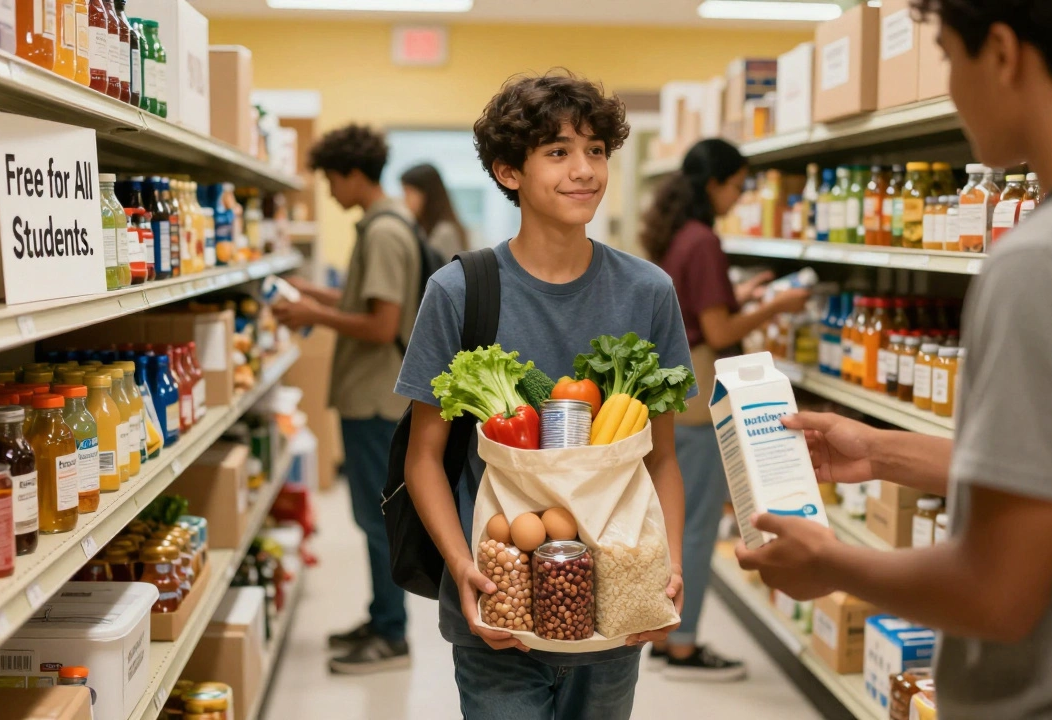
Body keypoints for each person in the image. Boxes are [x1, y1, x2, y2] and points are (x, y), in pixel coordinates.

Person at [733, 1, 1052, 717]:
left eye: (945, 55)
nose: (948, 84)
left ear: (1001, 53)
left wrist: (830, 563)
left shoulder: (1050, 262)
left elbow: (996, 595)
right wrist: (883, 453)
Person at [394, 70, 692, 719]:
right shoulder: (459, 291)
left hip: (614, 607)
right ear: (508, 172)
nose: (583, 170)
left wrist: (665, 566)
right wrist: (461, 567)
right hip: (498, 607)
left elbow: (661, 457)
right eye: (558, 152)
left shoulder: (648, 293)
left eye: (595, 151)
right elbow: (424, 458)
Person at [640, 137, 810, 681]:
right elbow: (717, 329)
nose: (739, 196)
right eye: (738, 185)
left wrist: (741, 293)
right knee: (693, 523)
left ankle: (671, 635)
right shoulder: (705, 240)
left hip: (676, 384)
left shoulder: (678, 236)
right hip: (699, 388)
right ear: (715, 183)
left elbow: (698, 303)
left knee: (680, 517)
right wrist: (776, 307)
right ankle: (682, 645)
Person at [272, 123, 421, 674]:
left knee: (378, 519)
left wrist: (313, 316)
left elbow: (382, 325)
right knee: (373, 517)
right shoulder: (388, 223)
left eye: (332, 180)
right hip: (375, 397)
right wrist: (315, 292)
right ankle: (381, 615)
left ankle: (391, 633)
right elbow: (369, 299)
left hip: (376, 401)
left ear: (353, 174)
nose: (331, 193)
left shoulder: (382, 232)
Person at [401, 162, 470, 258]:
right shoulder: (423, 229)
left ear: (427, 194)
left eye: (408, 192)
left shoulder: (445, 232)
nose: (404, 199)